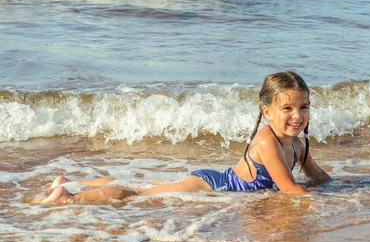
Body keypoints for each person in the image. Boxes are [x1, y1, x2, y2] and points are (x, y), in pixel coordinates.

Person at [39, 71, 331, 204]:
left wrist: (362, 189)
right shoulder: (268, 141)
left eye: (303, 107)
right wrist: (334, 208)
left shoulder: (297, 144)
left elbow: (318, 177)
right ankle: (69, 197)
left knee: (144, 184)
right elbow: (290, 189)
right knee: (138, 194)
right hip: (213, 187)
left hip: (216, 181)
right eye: (287, 108)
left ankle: (68, 182)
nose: (297, 116)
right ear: (267, 112)